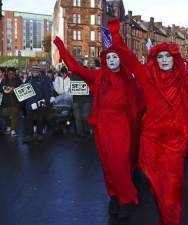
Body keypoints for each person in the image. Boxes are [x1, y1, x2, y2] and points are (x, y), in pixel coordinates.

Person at [110, 19, 188, 225]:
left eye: (168, 56)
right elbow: (129, 59)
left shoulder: (184, 79)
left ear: (175, 59)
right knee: (158, 188)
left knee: (173, 187)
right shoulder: (147, 76)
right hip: (153, 142)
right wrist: (116, 34)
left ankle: (170, 221)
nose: (164, 60)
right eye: (160, 57)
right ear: (155, 59)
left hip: (175, 142)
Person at [53, 27, 142, 219]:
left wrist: (116, 35)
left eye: (115, 57)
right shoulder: (99, 76)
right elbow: (77, 69)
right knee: (107, 164)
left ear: (120, 59)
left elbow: (135, 68)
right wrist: (62, 49)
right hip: (103, 124)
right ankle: (115, 196)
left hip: (120, 125)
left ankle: (125, 198)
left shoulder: (128, 78)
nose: (111, 61)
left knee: (120, 163)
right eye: (108, 58)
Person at [22, 65, 53, 142]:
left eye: (35, 71)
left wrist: (46, 102)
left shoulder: (44, 79)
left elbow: (47, 92)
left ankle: (39, 134)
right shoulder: (29, 79)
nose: (33, 73)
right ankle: (29, 135)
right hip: (29, 103)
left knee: (40, 119)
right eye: (32, 71)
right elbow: (24, 90)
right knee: (29, 119)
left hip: (40, 102)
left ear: (39, 72)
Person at [0, 67, 22, 137]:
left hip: (15, 101)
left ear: (15, 73)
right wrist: (3, 88)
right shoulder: (4, 79)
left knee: (14, 116)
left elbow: (22, 89)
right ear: (8, 73)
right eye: (9, 73)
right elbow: (0, 88)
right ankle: (9, 125)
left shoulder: (18, 80)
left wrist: (14, 89)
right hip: (5, 101)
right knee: (4, 115)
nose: (11, 74)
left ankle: (13, 129)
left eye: (12, 73)